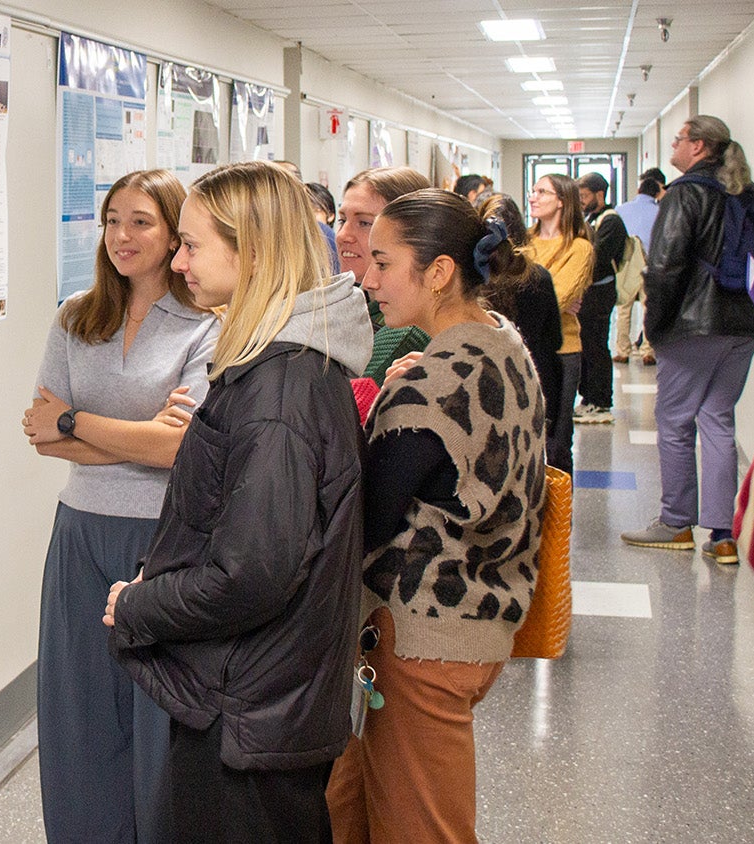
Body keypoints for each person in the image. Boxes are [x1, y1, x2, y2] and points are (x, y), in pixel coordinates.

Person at [105, 160, 372, 843]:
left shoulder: (277, 395)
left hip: (251, 710)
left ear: (249, 252)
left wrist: (140, 605)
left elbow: (253, 572)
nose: (179, 260)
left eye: (193, 245)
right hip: (261, 699)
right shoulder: (274, 366)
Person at [327, 189, 547, 843]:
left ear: (441, 271)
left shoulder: (428, 385)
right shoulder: (502, 343)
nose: (369, 279)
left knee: (423, 828)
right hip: (482, 617)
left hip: (425, 640)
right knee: (357, 806)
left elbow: (367, 518)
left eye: (384, 263)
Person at [20, 168, 218, 843]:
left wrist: (79, 422)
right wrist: (140, 436)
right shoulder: (77, 315)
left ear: (172, 236)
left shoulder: (205, 326)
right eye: (112, 221)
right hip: (80, 532)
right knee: (80, 712)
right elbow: (43, 435)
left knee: (155, 718)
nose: (122, 236)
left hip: (164, 538)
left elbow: (182, 450)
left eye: (141, 222)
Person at [620, 115, 754, 565]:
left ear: (698, 147)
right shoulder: (746, 194)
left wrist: (654, 327)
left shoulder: (685, 193)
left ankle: (676, 522)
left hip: (694, 326)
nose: (674, 147)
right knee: (718, 420)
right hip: (744, 326)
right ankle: (721, 535)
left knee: (675, 423)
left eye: (678, 140)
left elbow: (665, 266)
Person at [335, 166, 433, 383]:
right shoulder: (365, 305)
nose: (343, 235)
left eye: (364, 223)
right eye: (342, 220)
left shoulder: (404, 332)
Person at [525, 173, 594, 473]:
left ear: (562, 201)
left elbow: (563, 296)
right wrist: (546, 296)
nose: (533, 197)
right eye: (533, 190)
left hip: (561, 352)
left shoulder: (579, 247)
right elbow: (500, 292)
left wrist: (531, 297)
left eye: (542, 192)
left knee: (557, 442)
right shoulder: (523, 243)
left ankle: (558, 519)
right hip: (522, 350)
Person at [479, 192, 563, 409]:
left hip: (484, 382)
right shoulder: (538, 277)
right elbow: (555, 340)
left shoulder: (471, 280)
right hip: (534, 377)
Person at [573, 172, 628, 424]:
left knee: (596, 346)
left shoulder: (611, 221)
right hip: (586, 293)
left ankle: (601, 401)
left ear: (599, 194)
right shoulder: (589, 218)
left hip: (599, 294)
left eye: (584, 196)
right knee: (585, 345)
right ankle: (588, 398)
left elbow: (597, 257)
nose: (581, 201)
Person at [613, 176, 663, 364]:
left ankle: (622, 351)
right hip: (652, 264)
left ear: (638, 191)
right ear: (657, 193)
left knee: (623, 308)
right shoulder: (661, 211)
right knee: (648, 308)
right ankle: (648, 351)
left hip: (628, 264)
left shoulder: (620, 210)